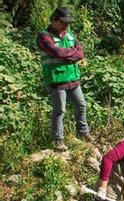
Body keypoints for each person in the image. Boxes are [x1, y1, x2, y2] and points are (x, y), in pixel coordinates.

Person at [37, 7, 91, 151]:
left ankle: (83, 133)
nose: (66, 26)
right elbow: (56, 52)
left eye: (68, 23)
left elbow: (80, 53)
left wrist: (69, 55)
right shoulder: (44, 36)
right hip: (56, 80)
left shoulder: (70, 35)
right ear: (54, 20)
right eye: (63, 22)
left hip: (73, 78)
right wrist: (71, 54)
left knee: (81, 106)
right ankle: (58, 140)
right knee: (59, 110)